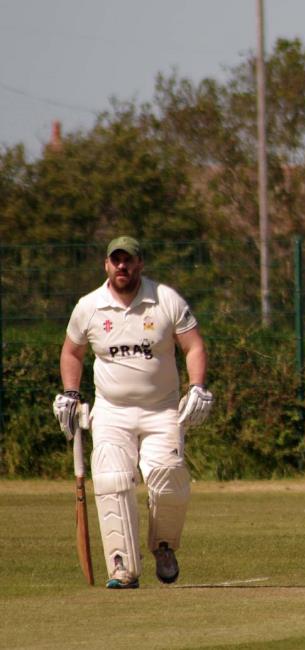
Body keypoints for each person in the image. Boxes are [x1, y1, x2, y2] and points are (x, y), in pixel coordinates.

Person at [53, 236, 213, 589]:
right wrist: (70, 393)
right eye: (116, 260)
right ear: (106, 265)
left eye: (129, 260)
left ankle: (165, 547)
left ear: (140, 264)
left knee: (168, 478)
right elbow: (72, 353)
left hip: (162, 410)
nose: (122, 266)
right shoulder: (89, 307)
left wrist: (197, 386)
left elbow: (194, 345)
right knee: (111, 480)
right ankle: (122, 566)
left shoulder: (165, 299)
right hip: (112, 411)